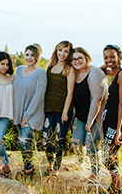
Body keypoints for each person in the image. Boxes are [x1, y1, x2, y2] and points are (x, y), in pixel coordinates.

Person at [70, 47, 107, 183]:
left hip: (94, 117)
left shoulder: (95, 72)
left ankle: (95, 174)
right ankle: (81, 164)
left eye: (80, 58)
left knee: (91, 145)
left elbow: (97, 98)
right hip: (79, 116)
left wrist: (90, 121)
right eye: (74, 59)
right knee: (76, 143)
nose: (77, 61)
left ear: (86, 57)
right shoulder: (74, 73)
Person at [100, 44, 122, 194]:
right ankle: (115, 187)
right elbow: (100, 70)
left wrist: (118, 129)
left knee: (108, 155)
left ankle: (116, 188)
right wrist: (108, 64)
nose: (109, 60)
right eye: (106, 57)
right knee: (109, 154)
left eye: (113, 56)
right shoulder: (115, 72)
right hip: (110, 117)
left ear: (119, 56)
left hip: (117, 120)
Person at [13, 44, 47, 178]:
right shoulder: (19, 69)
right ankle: (28, 167)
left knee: (23, 140)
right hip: (18, 112)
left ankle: (28, 169)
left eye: (33, 55)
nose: (29, 57)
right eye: (27, 54)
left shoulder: (40, 73)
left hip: (32, 114)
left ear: (37, 57)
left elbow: (39, 96)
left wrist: (26, 115)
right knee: (24, 143)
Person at [42, 41, 75, 176]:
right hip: (49, 109)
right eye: (60, 50)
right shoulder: (50, 67)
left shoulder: (69, 69)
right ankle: (50, 162)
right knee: (45, 139)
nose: (62, 54)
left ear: (69, 54)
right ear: (56, 51)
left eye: (66, 51)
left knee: (60, 139)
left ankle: (56, 167)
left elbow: (70, 92)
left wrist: (66, 112)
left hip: (63, 110)